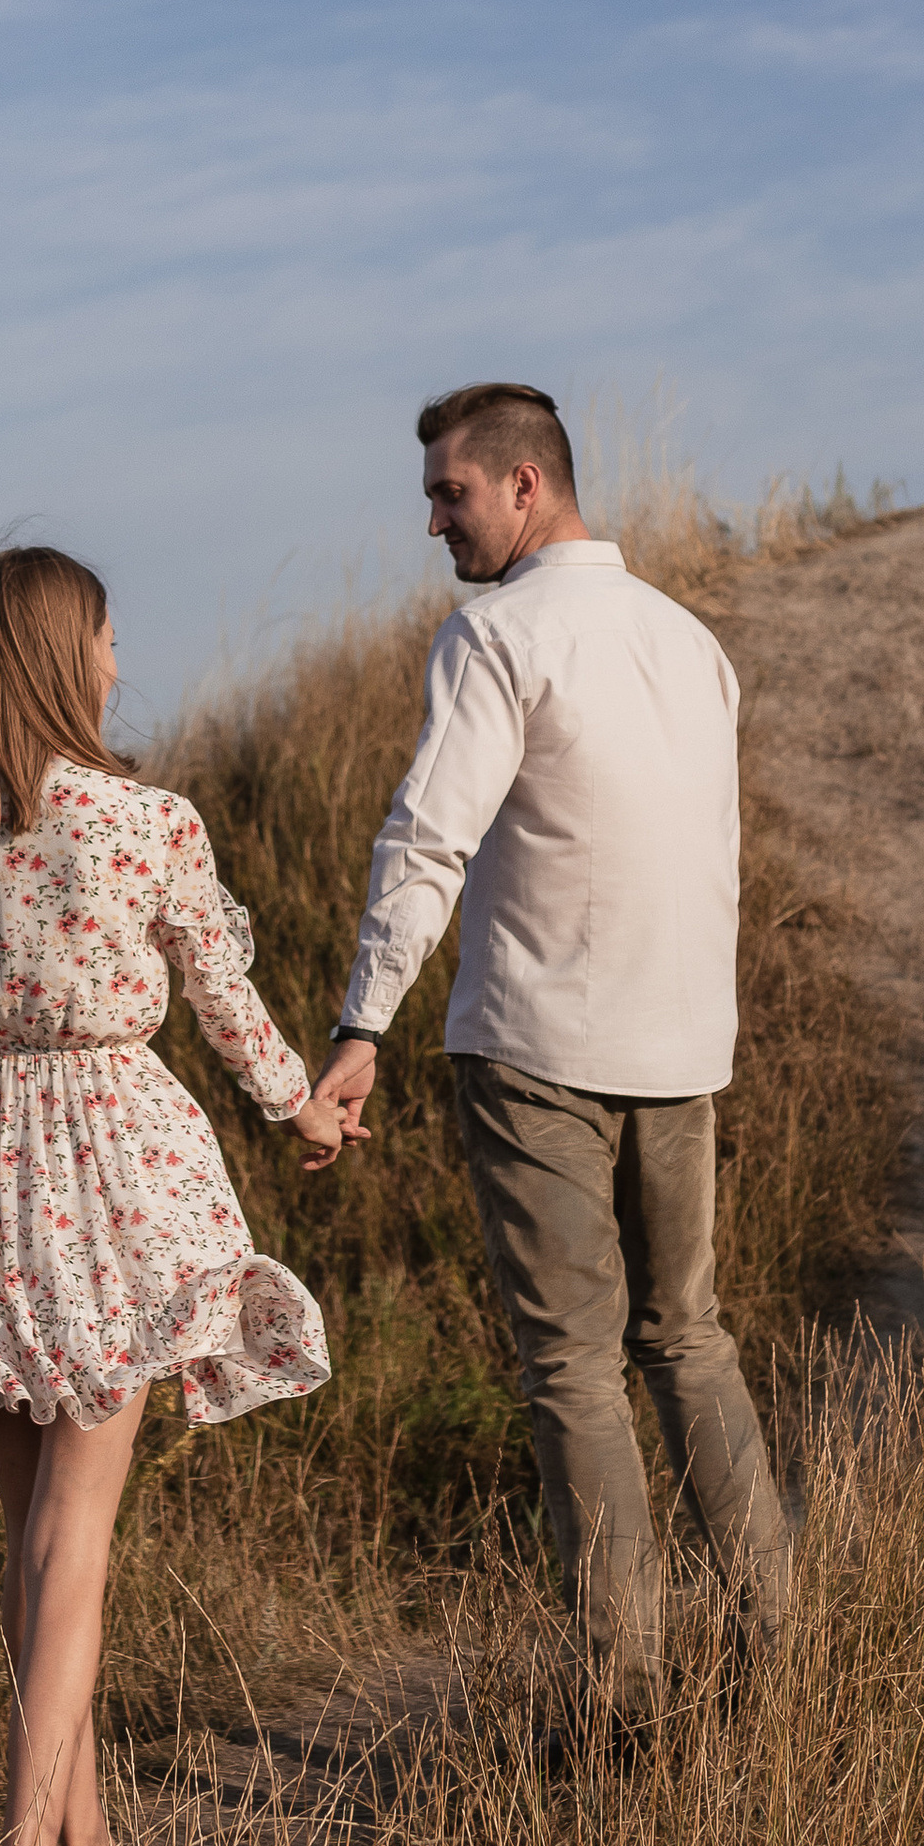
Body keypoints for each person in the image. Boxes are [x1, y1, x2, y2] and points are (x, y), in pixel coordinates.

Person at [0, 545, 347, 1846]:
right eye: (112, 636)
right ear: (73, 654)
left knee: (37, 1555)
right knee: (76, 1545)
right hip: (113, 1179)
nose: (123, 659)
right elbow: (224, 997)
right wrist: (304, 1108)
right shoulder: (146, 822)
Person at [308, 383, 790, 1728]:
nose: (433, 525)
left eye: (449, 495)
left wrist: (363, 1028)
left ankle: (622, 1697)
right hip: (685, 1046)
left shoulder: (495, 637)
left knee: (574, 1369)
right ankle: (775, 1652)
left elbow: (428, 839)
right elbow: (717, 857)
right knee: (689, 1339)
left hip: (539, 1049)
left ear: (527, 487)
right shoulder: (693, 643)